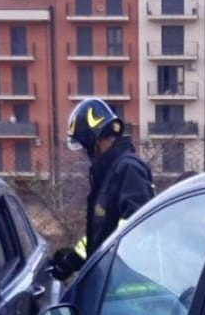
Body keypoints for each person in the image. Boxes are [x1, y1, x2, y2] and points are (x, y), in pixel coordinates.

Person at [50, 97, 155, 281]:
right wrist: (73, 260)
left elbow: (138, 231)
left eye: (85, 146)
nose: (85, 151)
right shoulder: (109, 172)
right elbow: (104, 231)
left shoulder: (128, 170)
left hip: (125, 287)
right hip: (109, 280)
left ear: (94, 140)